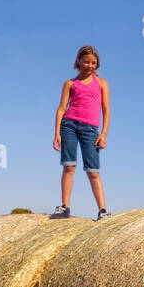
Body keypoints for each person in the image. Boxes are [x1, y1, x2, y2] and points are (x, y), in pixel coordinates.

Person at [50, 45, 110, 220]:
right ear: (78, 61)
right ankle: (64, 206)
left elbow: (106, 110)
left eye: (93, 63)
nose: (90, 65)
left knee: (93, 171)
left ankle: (103, 210)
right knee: (69, 166)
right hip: (69, 125)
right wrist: (57, 133)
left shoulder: (101, 83)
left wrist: (104, 133)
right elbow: (61, 109)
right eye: (86, 61)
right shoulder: (70, 83)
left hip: (91, 129)